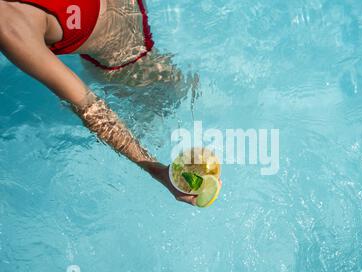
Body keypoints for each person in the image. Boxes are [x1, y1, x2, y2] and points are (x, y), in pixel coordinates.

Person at [0, 0, 211, 206]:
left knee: (171, 98)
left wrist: (158, 171)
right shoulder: (11, 24)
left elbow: (89, 107)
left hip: (125, 53)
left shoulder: (11, 26)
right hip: (124, 23)